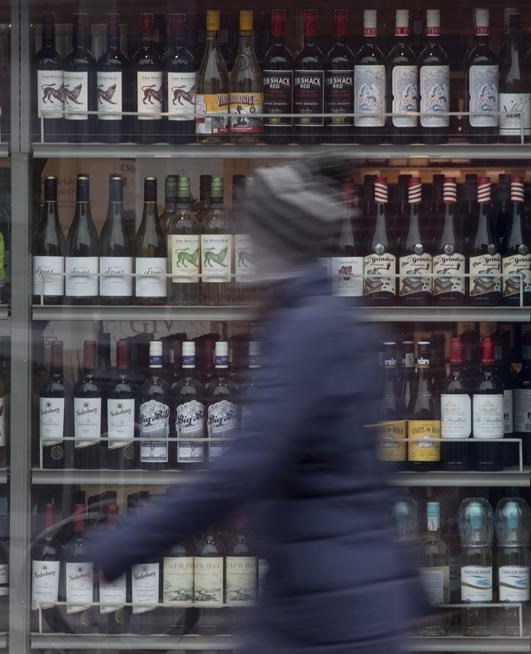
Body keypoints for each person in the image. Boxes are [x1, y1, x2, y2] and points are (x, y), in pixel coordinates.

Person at [90, 159, 424, 653]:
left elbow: (247, 463)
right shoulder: (335, 318)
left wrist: (129, 543)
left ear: (271, 244)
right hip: (328, 586)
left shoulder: (308, 330)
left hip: (329, 603)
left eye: (250, 236)